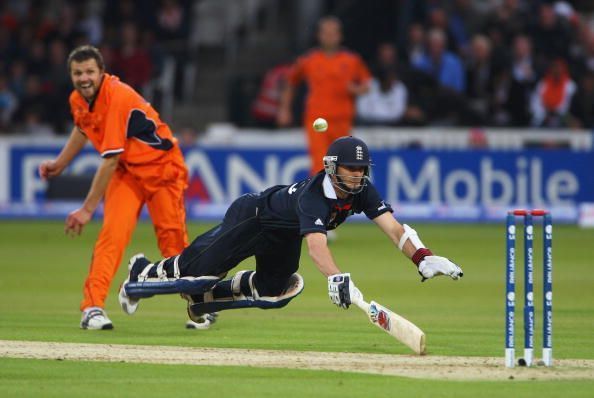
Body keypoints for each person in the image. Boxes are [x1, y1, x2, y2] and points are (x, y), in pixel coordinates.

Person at [117, 136, 463, 324]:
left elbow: (393, 228)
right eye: (350, 168)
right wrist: (336, 277)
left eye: (361, 168)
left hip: (281, 236)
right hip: (252, 218)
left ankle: (205, 301)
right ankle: (142, 272)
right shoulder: (315, 196)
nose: (357, 174)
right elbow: (316, 247)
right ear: (332, 167)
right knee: (195, 273)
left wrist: (421, 257)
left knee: (275, 290)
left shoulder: (364, 191)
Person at [38, 45, 209, 330]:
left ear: (102, 72)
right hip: (128, 173)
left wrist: (86, 209)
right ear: (71, 75)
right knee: (111, 237)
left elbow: (109, 160)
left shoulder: (117, 96)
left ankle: (201, 305)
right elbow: (83, 128)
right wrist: (60, 163)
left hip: (162, 170)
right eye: (78, 73)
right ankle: (92, 308)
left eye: (90, 71)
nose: (84, 78)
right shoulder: (77, 99)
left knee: (174, 246)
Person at [277, 16, 371, 176]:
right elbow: (291, 82)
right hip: (317, 119)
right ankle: (319, 199)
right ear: (319, 36)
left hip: (342, 119)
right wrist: (284, 109)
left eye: (332, 33)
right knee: (320, 164)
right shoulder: (309, 60)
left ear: (340, 36)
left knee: (343, 164)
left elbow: (366, 85)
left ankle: (340, 200)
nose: (329, 37)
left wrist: (355, 89)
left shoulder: (352, 60)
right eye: (325, 33)